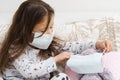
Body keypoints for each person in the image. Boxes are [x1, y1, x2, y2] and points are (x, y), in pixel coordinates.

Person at [0, 0, 115, 80]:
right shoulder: (15, 48)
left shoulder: (49, 42)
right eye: (44, 29)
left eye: (51, 27)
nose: (50, 32)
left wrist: (97, 44)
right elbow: (29, 72)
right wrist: (55, 59)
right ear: (25, 30)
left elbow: (73, 46)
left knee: (62, 77)